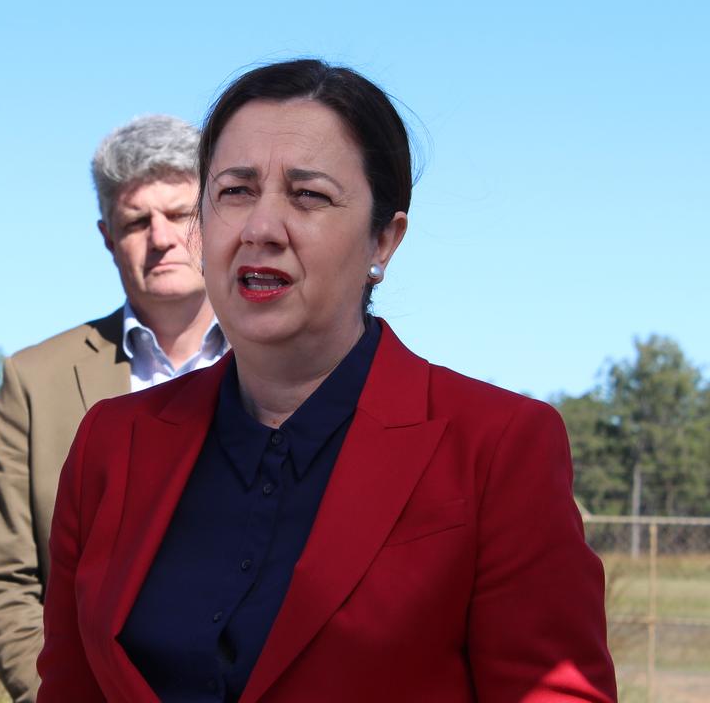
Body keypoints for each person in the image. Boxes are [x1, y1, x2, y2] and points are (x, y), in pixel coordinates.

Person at [37, 60, 616, 702]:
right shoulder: (110, 445)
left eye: (308, 195)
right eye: (234, 191)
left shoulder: (497, 447)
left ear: (383, 242)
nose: (261, 228)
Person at [0, 114, 229, 702]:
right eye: (137, 221)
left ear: (213, 218)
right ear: (108, 236)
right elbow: (0, 578)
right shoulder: (37, 381)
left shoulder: (282, 364)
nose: (161, 238)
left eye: (180, 214)